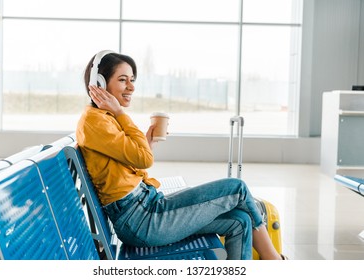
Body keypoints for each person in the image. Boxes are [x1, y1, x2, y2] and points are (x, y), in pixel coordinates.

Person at [76, 50, 287, 260]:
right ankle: (274, 260)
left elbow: (129, 169)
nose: (131, 87)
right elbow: (144, 159)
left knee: (240, 221)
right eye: (123, 80)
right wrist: (122, 115)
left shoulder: (104, 119)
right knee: (237, 189)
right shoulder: (96, 121)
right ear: (100, 84)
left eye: (132, 80)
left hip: (144, 210)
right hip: (142, 220)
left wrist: (146, 142)